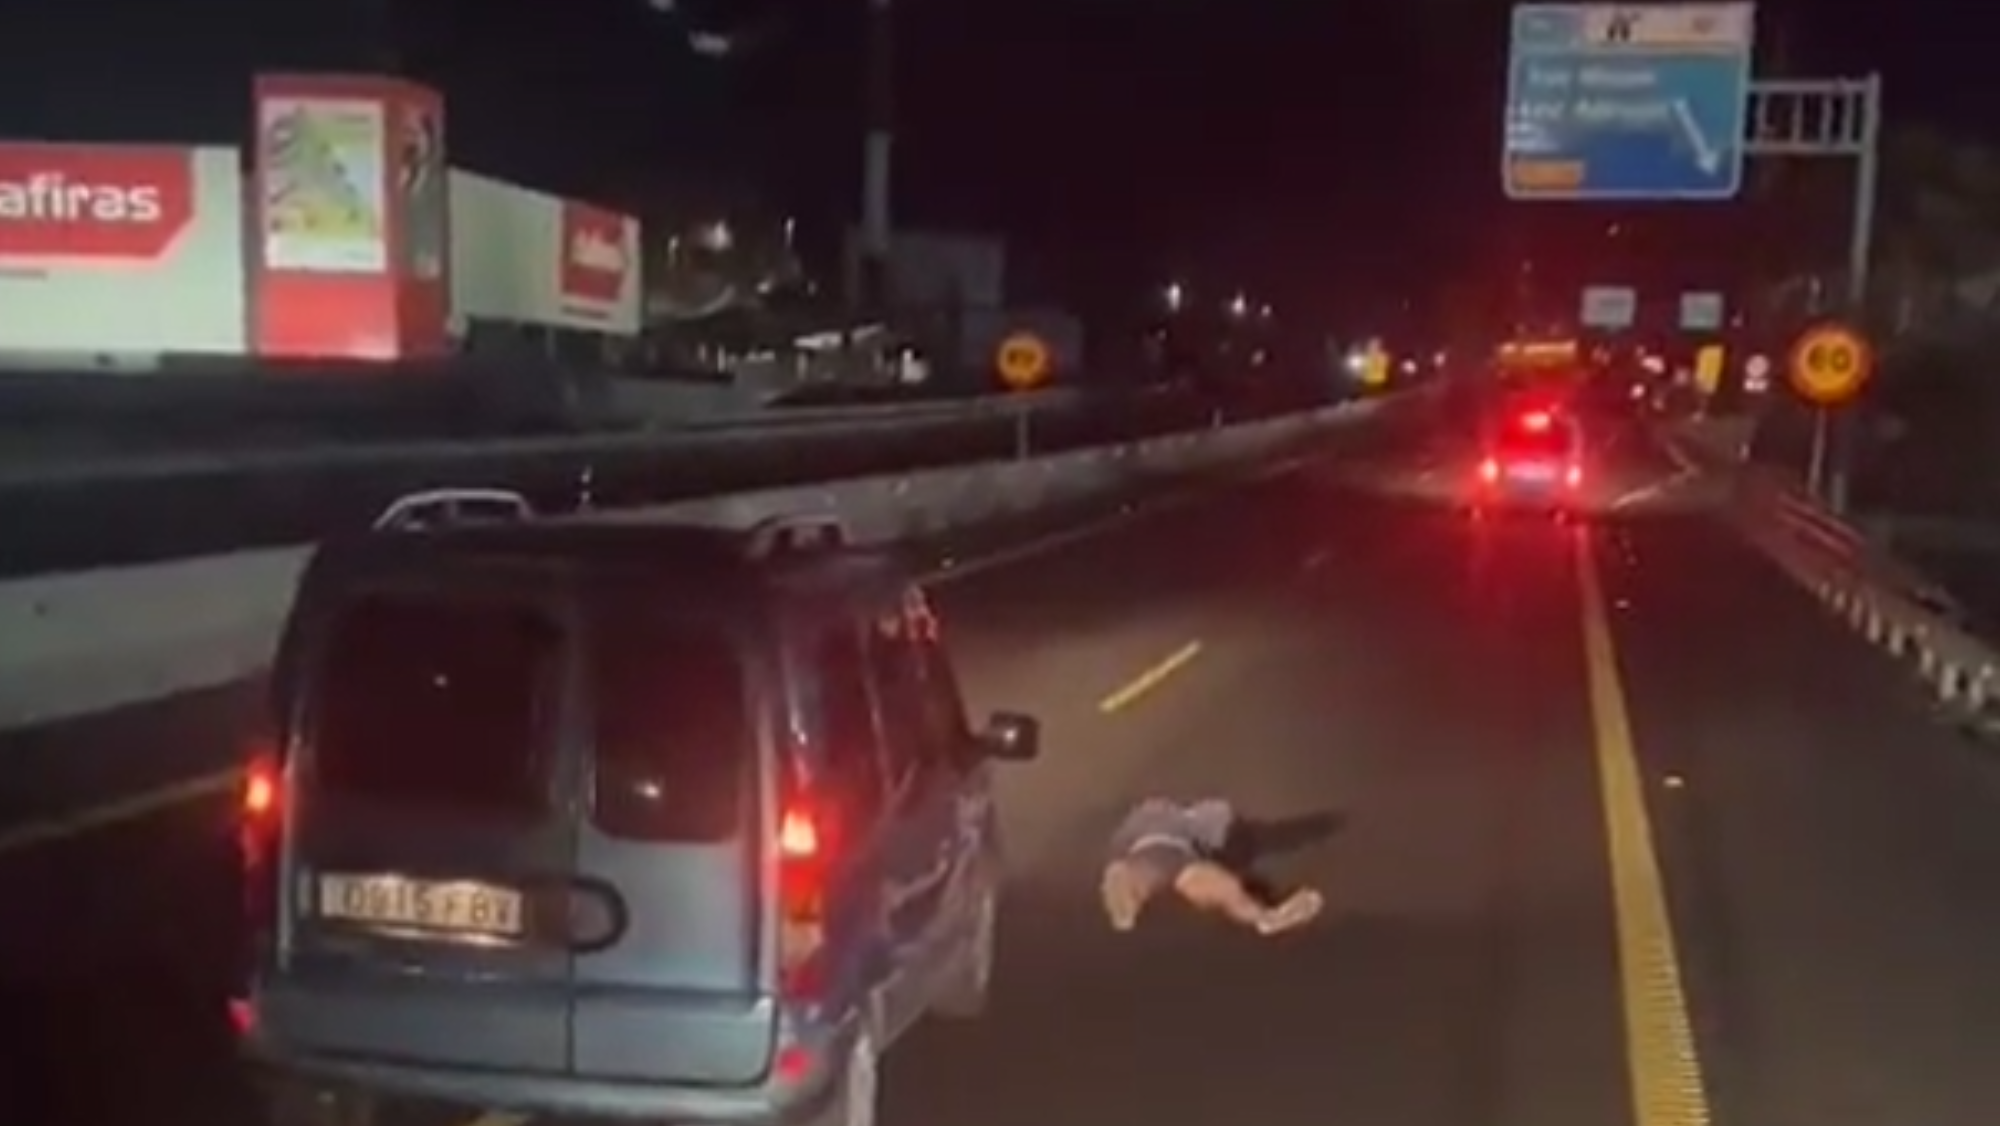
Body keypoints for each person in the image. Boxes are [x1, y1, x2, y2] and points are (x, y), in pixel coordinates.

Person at [1098, 798, 1330, 935]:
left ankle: (1263, 916)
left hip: (1165, 851)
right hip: (1170, 850)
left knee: (1209, 883)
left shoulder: (1138, 839)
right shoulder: (1203, 824)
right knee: (1211, 883)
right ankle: (1263, 916)